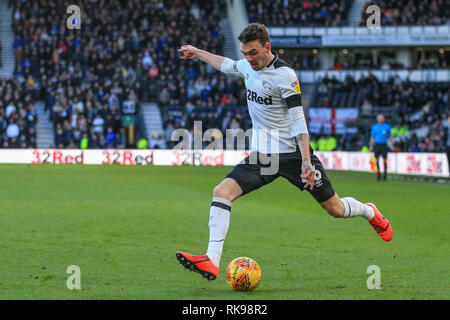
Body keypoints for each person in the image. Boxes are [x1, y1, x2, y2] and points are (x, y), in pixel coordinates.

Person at [175, 23, 393, 281]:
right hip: (262, 156)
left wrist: (306, 162)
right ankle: (211, 260)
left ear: (267, 47)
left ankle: (369, 211)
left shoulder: (285, 75)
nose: (249, 59)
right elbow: (226, 64)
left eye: (254, 52)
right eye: (245, 53)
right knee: (221, 192)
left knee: (335, 208)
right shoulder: (246, 66)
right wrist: (198, 52)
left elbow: (299, 122)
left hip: (293, 156)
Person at [370, 114, 393, 181]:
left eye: (382, 118)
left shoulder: (387, 127)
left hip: (384, 144)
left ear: (384, 119)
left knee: (384, 160)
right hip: (377, 145)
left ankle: (385, 174)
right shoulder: (375, 127)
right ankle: (378, 175)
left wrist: (392, 144)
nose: (380, 119)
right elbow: (372, 137)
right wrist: (371, 145)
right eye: (379, 118)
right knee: (376, 160)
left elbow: (390, 136)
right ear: (377, 119)